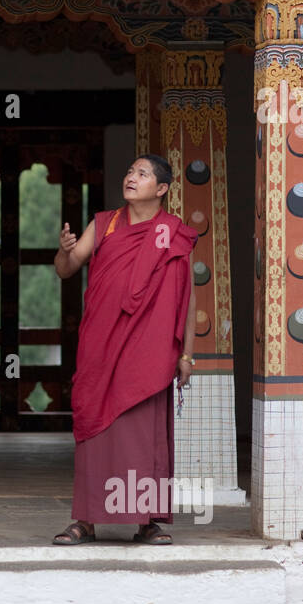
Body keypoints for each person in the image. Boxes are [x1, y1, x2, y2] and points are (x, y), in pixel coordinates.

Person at [51, 154, 198, 546]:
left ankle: (147, 521)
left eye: (142, 174)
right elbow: (67, 269)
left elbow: (187, 298)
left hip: (148, 354)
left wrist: (187, 354)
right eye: (130, 171)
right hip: (101, 346)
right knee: (94, 428)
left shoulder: (172, 232)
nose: (131, 177)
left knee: (143, 434)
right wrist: (64, 250)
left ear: (162, 188)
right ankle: (86, 520)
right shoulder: (105, 224)